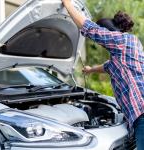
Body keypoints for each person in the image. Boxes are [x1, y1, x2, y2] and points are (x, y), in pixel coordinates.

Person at [61, 0, 144, 149]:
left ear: (108, 32)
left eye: (101, 42)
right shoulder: (127, 48)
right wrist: (90, 69)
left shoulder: (121, 41)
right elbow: (108, 66)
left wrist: (68, 5)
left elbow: (91, 29)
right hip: (137, 116)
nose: (101, 44)